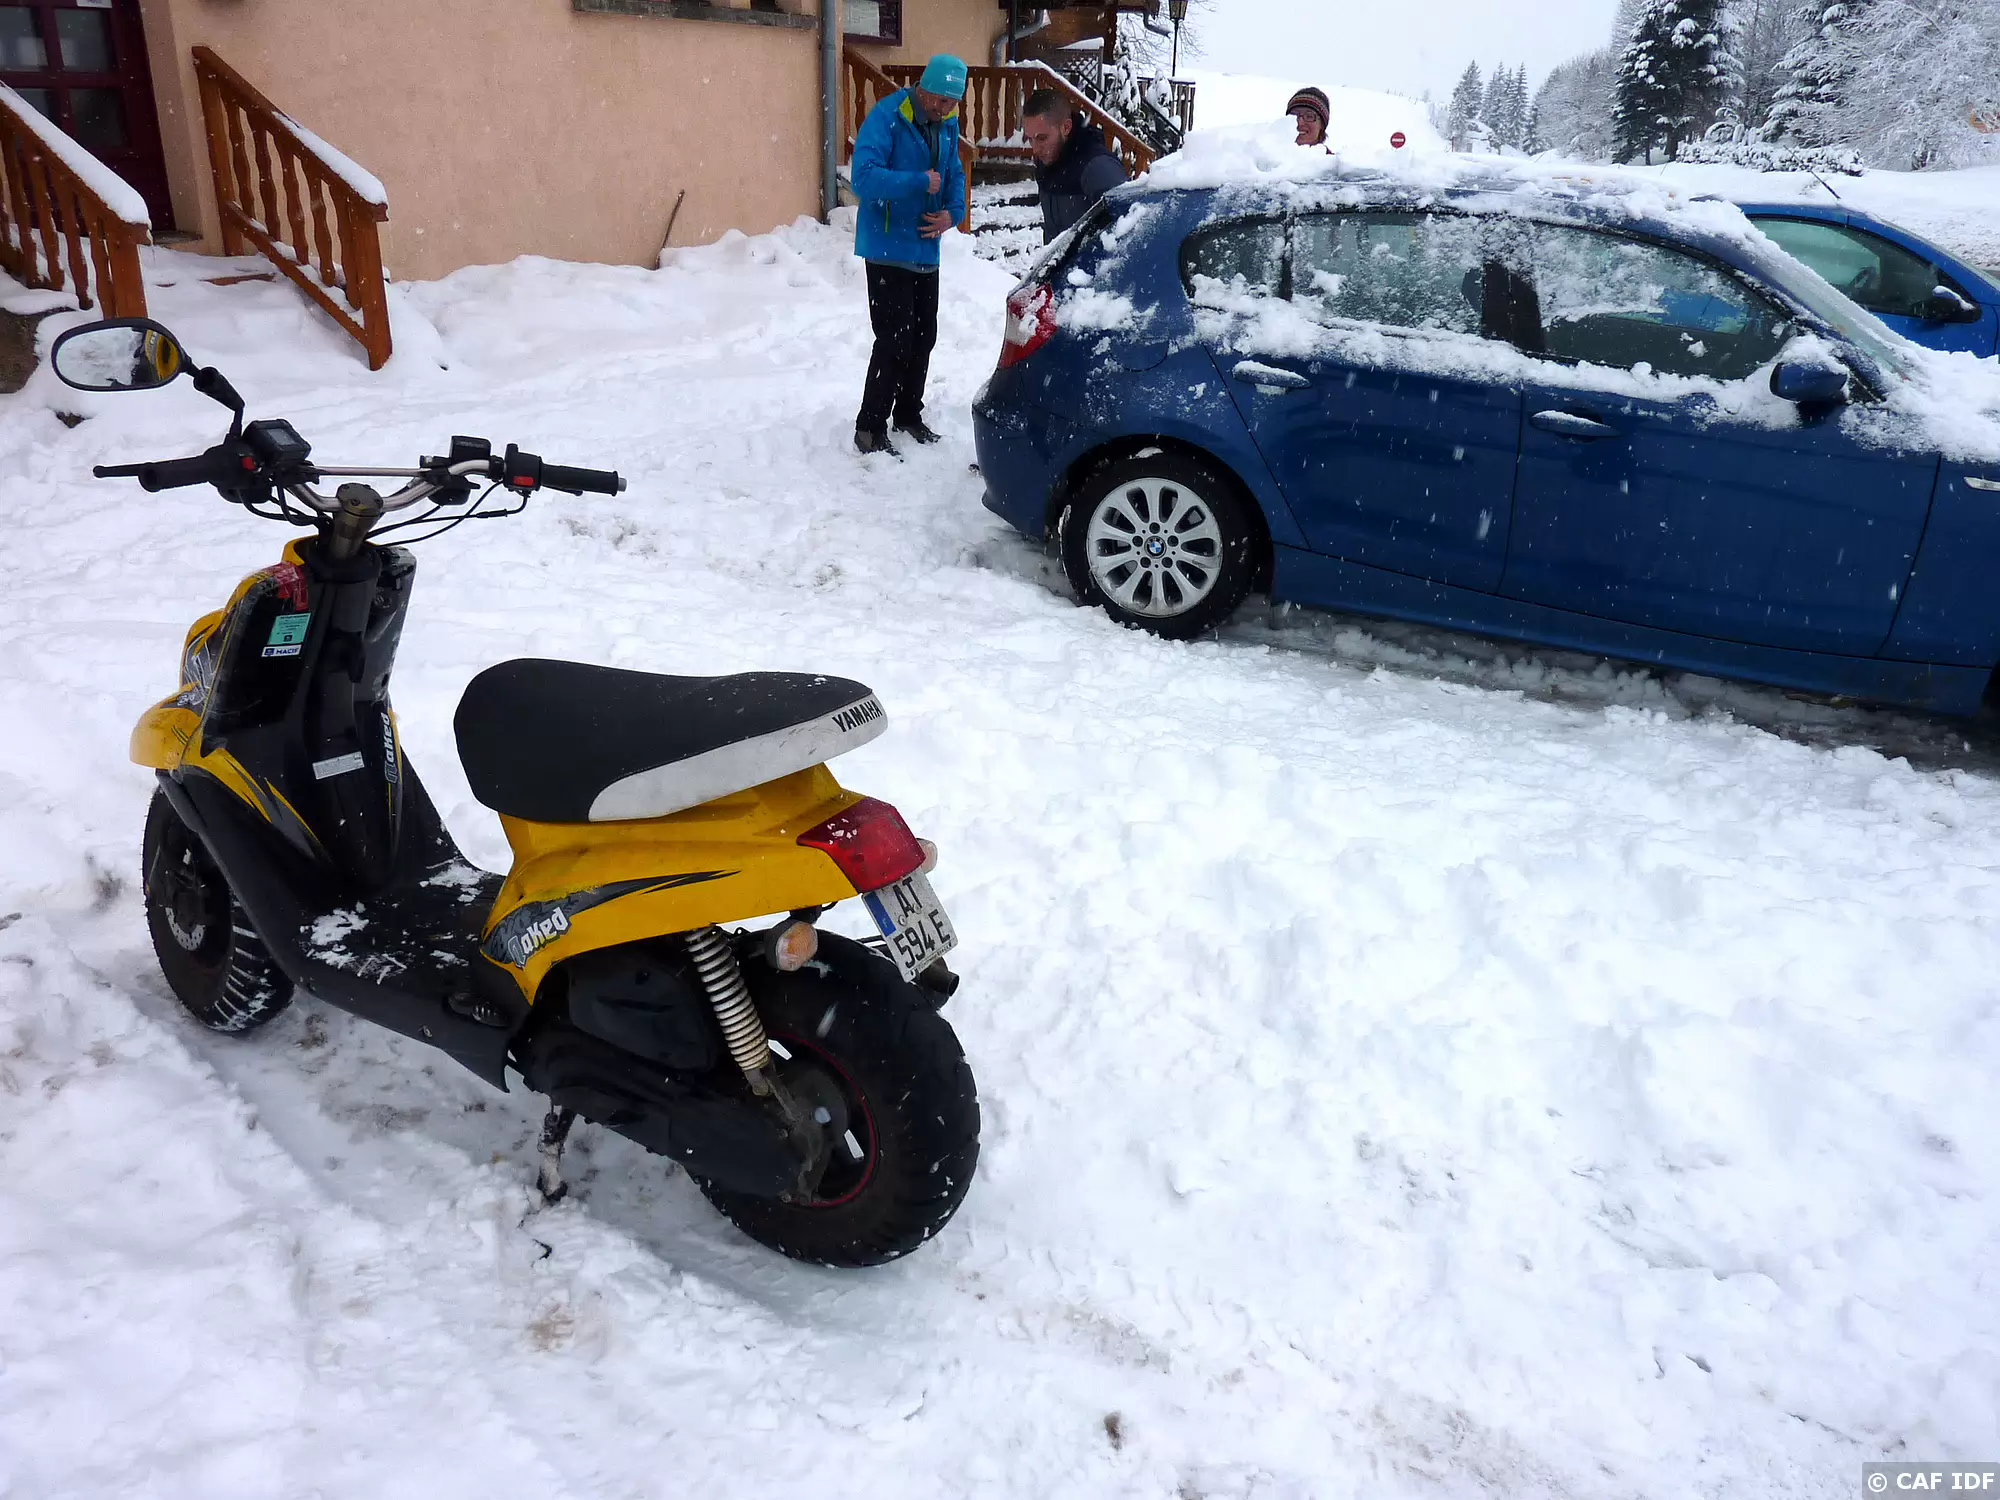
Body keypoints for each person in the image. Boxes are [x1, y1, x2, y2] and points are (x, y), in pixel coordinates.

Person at [849, 54, 969, 456]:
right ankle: (870, 427)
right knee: (894, 339)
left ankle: (907, 415)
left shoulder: (947, 124)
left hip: (925, 248)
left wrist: (953, 214)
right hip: (887, 247)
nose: (944, 109)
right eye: (940, 100)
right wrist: (918, 182)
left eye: (952, 103)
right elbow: (863, 177)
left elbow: (954, 174)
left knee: (923, 336)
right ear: (924, 88)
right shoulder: (888, 117)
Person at [1021, 90, 1128, 245]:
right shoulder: (1047, 162)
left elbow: (1125, 237)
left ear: (1066, 127)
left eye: (1042, 138)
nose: (1035, 149)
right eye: (1030, 139)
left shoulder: (1098, 168)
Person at [1288, 86, 1333, 150]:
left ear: (1322, 125)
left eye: (1309, 116)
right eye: (1294, 115)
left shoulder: (1339, 156)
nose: (1300, 122)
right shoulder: (1273, 154)